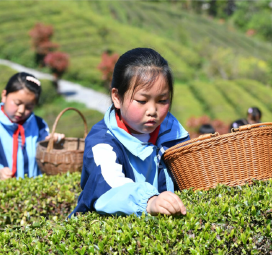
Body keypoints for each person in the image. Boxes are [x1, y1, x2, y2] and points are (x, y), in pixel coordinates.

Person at [70, 48, 190, 217]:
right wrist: (150, 201)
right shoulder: (102, 142)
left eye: (162, 100)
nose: (152, 110)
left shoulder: (173, 132)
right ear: (117, 98)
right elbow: (109, 185)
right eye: (142, 100)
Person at [0, 72, 64, 181]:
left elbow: (47, 158)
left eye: (29, 106)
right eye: (17, 103)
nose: (21, 110)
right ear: (4, 96)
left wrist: (55, 143)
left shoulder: (39, 124)